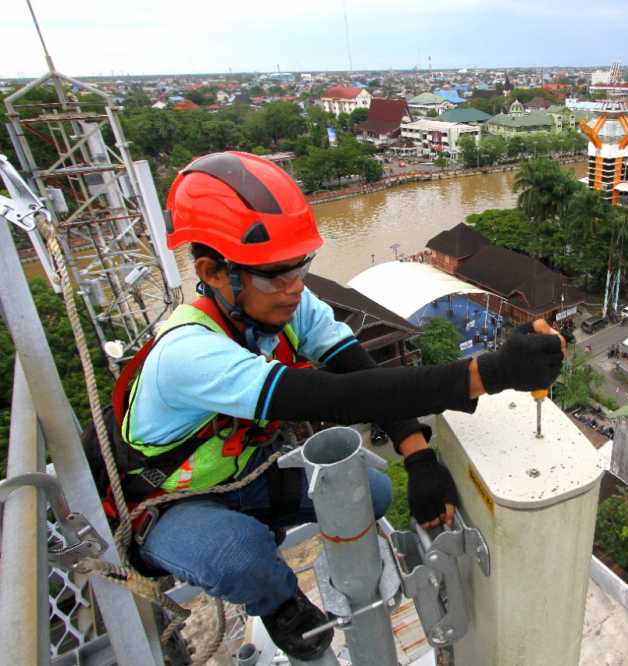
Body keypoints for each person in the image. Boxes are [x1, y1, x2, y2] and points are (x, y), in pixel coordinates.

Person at [120, 152, 564, 660]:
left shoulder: (286, 302)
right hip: (172, 506)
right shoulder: (187, 353)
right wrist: (489, 373)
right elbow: (334, 397)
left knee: (372, 492)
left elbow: (360, 372)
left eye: (300, 268)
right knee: (241, 559)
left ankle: (259, 547)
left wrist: (417, 456)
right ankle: (280, 605)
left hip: (242, 478)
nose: (294, 289)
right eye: (274, 276)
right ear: (213, 272)